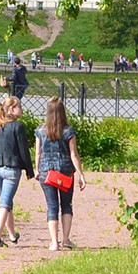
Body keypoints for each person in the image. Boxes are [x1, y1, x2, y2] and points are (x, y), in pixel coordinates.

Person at [0, 96, 33, 247]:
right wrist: (29, 171)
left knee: (7, 201)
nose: (21, 109)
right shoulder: (18, 127)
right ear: (11, 109)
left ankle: (12, 235)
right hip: (11, 170)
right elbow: (24, 152)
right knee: (4, 203)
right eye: (19, 107)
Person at [35, 96, 86, 250]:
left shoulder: (40, 130)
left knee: (52, 206)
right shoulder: (68, 131)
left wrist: (37, 169)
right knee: (66, 205)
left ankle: (54, 242)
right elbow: (73, 154)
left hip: (46, 171)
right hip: (65, 171)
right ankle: (65, 239)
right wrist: (81, 174)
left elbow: (38, 153)